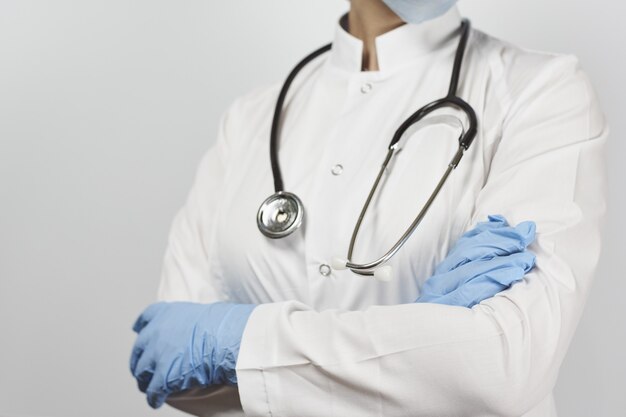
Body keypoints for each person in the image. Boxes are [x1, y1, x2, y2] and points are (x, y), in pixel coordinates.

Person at [129, 1, 608, 416]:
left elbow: (503, 367)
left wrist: (235, 344)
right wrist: (426, 351)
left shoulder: (540, 92)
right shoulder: (250, 119)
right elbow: (169, 368)